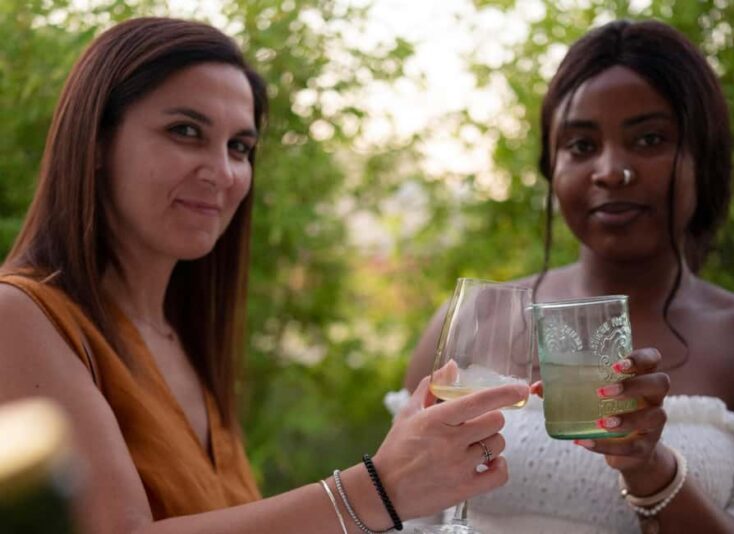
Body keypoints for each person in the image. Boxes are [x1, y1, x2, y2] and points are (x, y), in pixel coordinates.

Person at [0, 17, 531, 534]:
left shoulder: (178, 337)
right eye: (186, 131)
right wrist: (379, 488)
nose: (224, 172)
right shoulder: (20, 314)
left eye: (240, 147)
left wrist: (405, 475)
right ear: (95, 142)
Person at [401, 19, 734, 534]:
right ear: (552, 168)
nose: (611, 170)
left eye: (650, 138)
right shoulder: (475, 321)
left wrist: (649, 469)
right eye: (581, 146)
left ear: (706, 159)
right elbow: (401, 514)